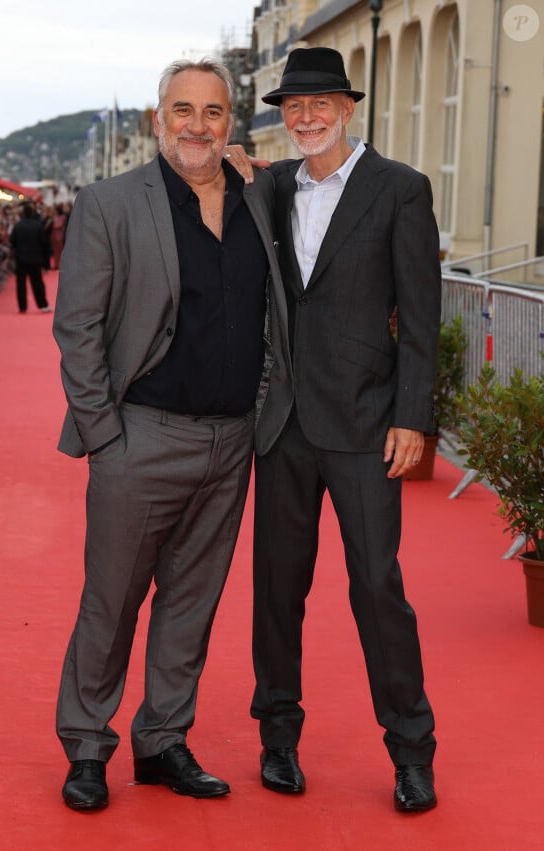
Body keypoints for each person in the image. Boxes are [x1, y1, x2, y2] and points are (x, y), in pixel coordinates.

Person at [52, 58, 292, 812]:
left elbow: (266, 314)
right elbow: (78, 325)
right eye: (182, 109)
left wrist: (255, 409)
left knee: (191, 604)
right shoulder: (110, 202)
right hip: (140, 437)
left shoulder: (258, 199)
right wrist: (105, 436)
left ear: (232, 124)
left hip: (230, 445)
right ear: (159, 119)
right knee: (112, 602)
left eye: (214, 112)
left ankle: (163, 741)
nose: (197, 125)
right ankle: (88, 746)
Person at [226, 46, 441, 812]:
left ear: (349, 108)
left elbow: (421, 315)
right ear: (282, 118)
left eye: (320, 106)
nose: (307, 118)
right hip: (283, 424)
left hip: (364, 421)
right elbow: (209, 165)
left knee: (378, 587)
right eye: (292, 108)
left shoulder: (400, 190)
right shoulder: (271, 183)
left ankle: (412, 751)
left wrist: (414, 416)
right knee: (278, 589)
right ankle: (277, 738)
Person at [10, 203, 52, 313]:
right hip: (35, 258)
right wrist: (45, 260)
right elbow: (44, 243)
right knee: (37, 282)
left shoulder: (18, 226)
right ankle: (42, 304)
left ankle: (22, 307)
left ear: (23, 213)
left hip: (21, 258)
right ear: (32, 213)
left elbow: (12, 242)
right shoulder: (38, 226)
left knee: (21, 284)